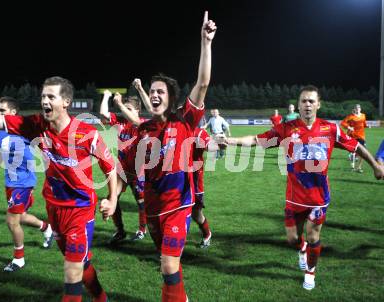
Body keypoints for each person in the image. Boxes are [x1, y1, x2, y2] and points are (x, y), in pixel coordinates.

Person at [0, 70, 118, 302]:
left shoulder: (87, 134)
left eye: (51, 97)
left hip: (80, 210)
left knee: (71, 269)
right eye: (43, 96)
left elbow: (110, 167)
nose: (45, 101)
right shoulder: (36, 125)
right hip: (54, 208)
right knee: (80, 263)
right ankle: (101, 297)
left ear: (66, 102)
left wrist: (113, 199)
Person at [222, 85, 384, 291]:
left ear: (318, 104)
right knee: (292, 239)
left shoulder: (330, 129)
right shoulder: (286, 129)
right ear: (298, 105)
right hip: (294, 196)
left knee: (314, 235)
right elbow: (256, 140)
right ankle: (302, 248)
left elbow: (357, 146)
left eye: (311, 101)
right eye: (303, 101)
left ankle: (310, 272)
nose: (307, 104)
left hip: (318, 197)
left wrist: (376, 166)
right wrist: (232, 140)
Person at [130, 11, 216, 301]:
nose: (154, 95)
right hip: (154, 208)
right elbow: (126, 167)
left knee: (168, 265)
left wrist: (205, 43)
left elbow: (202, 84)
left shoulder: (184, 120)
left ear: (171, 97)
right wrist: (112, 196)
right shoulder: (144, 131)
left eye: (160, 92)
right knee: (167, 266)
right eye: (151, 91)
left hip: (179, 205)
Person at [0, 96, 54, 272]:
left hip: (24, 182)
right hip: (10, 181)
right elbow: (0, 149)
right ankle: (46, 228)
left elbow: (44, 146)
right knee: (21, 217)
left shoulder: (23, 129)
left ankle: (19, 259)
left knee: (11, 221)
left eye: (2, 110)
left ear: (13, 113)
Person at [99, 90, 147, 243]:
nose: (125, 112)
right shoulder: (119, 121)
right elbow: (103, 113)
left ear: (138, 111)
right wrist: (106, 96)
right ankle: (120, 231)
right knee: (112, 198)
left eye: (130, 109)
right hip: (121, 170)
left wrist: (120, 104)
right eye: (124, 108)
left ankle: (141, 230)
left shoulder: (142, 124)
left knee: (141, 201)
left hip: (138, 170)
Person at [341, 104, 367, 172]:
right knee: (353, 151)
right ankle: (352, 167)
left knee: (363, 152)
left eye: (358, 108)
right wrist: (349, 127)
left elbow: (364, 123)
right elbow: (343, 123)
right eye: (356, 108)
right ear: (354, 109)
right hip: (353, 135)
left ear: (360, 109)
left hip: (361, 136)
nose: (357, 109)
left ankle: (359, 167)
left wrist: (366, 126)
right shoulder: (351, 116)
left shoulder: (363, 115)